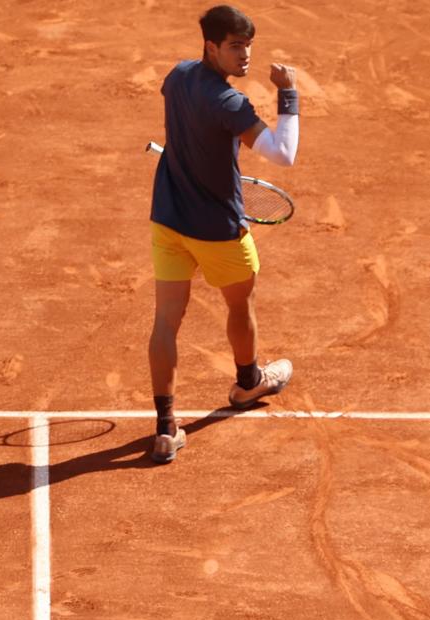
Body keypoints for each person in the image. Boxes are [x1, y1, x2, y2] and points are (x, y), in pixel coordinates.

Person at [147, 5, 302, 463]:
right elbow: (283, 155)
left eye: (248, 46)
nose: (245, 56)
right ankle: (248, 383)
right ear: (211, 46)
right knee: (240, 304)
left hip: (169, 221)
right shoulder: (229, 103)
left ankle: (164, 429)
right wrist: (290, 96)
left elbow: (191, 126)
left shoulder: (176, 77)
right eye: (236, 47)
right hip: (218, 231)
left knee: (165, 322)